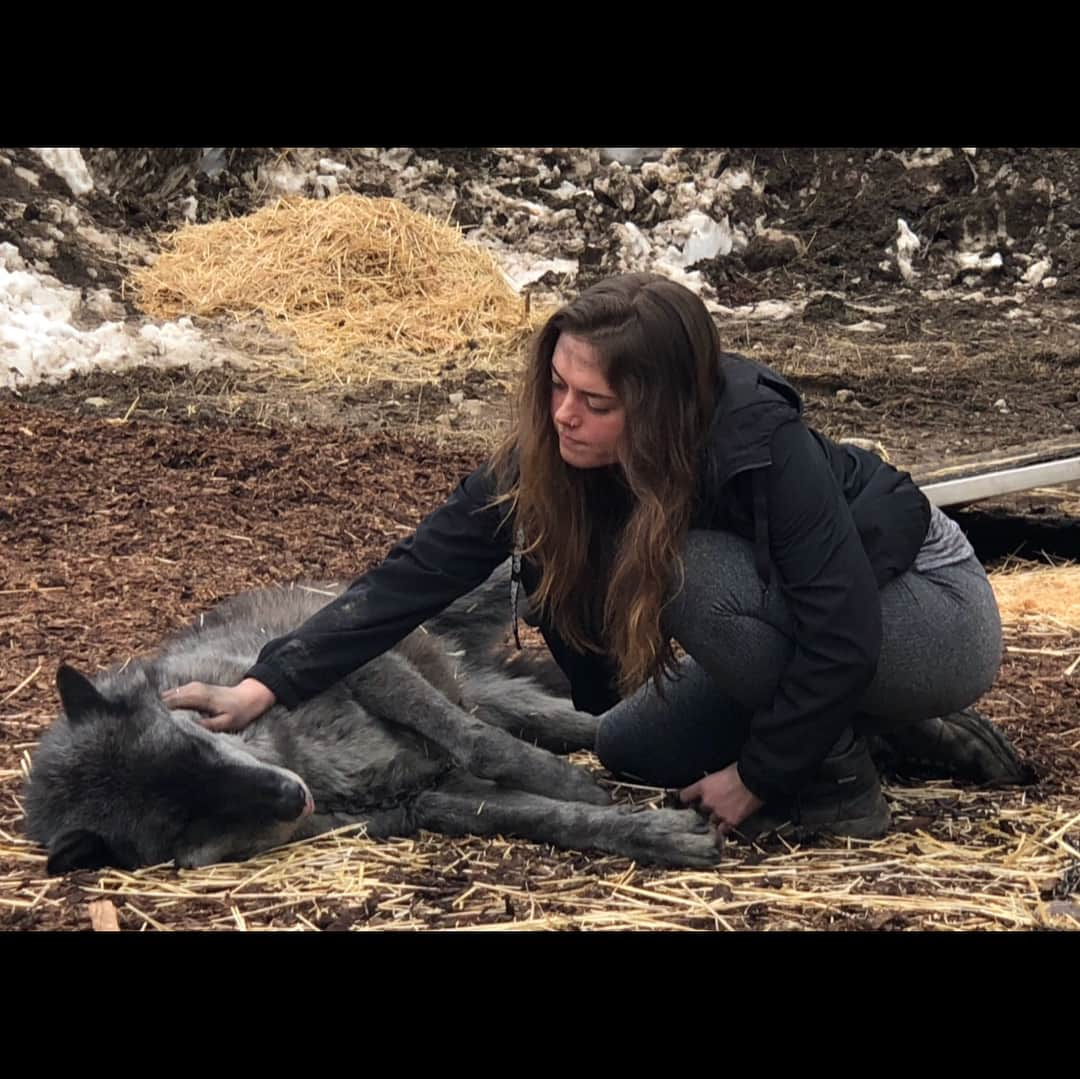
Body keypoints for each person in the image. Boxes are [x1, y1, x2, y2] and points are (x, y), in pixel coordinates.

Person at [162, 272, 1030, 844]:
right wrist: (268, 682)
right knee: (626, 745)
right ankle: (882, 727)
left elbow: (839, 626)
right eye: (557, 387)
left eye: (595, 401)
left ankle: (840, 784)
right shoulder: (556, 454)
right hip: (815, 637)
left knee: (686, 569)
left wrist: (756, 778)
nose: (565, 415)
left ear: (659, 407)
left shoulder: (756, 438)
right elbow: (413, 574)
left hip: (929, 610)